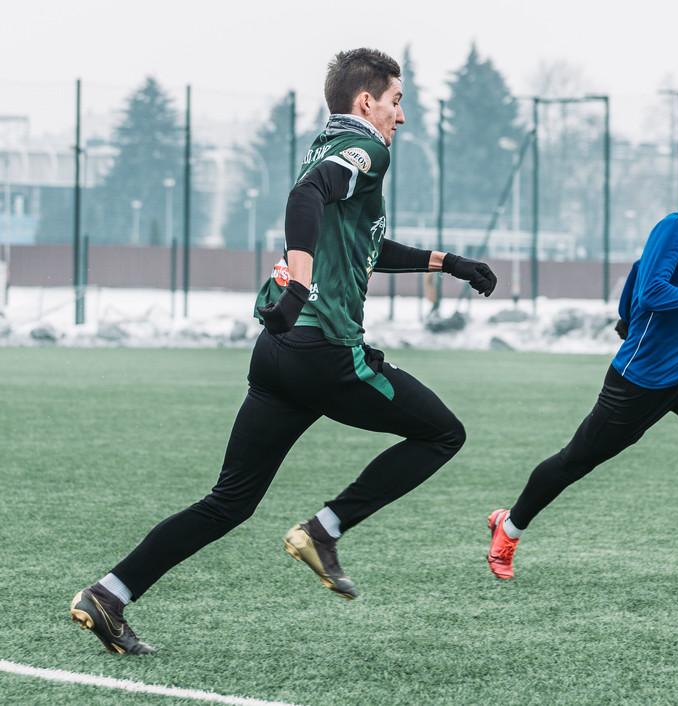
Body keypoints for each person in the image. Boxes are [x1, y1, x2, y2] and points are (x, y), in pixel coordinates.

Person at [70, 48, 498, 654]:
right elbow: (306, 197)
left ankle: (108, 594)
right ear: (366, 102)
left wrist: (447, 262)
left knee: (228, 502)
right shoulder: (366, 149)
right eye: (396, 101)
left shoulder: (327, 143)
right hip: (324, 352)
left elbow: (362, 243)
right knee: (443, 433)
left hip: (277, 352)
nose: (401, 116)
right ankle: (325, 530)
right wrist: (300, 285)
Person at [486, 161, 678, 580]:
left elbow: (640, 270)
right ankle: (509, 527)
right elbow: (653, 291)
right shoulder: (673, 229)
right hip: (638, 384)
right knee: (574, 462)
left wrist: (625, 315)